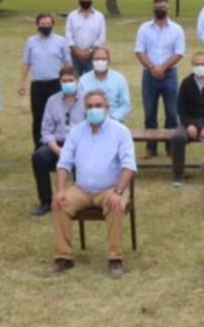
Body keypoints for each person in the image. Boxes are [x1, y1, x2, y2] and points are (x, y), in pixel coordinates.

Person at [46, 89, 138, 280]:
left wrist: (119, 192)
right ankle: (64, 256)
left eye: (98, 106)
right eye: (90, 107)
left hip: (112, 188)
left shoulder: (120, 132)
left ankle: (115, 258)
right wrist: (61, 190)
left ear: (106, 108)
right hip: (81, 189)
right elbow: (64, 163)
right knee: (59, 204)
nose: (94, 110)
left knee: (115, 205)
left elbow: (129, 165)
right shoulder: (76, 132)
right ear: (84, 109)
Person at [133, 0, 186, 159]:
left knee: (172, 113)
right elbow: (139, 51)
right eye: (157, 7)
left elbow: (178, 53)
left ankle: (171, 148)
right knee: (150, 113)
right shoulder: (144, 28)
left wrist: (162, 67)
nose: (160, 10)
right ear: (152, 8)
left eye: (163, 7)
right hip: (149, 75)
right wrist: (152, 67)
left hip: (170, 75)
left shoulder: (177, 29)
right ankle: (151, 148)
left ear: (168, 8)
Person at [30, 66, 86, 217]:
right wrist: (56, 149)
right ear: (60, 82)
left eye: (71, 80)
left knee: (81, 160)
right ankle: (46, 201)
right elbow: (46, 130)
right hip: (58, 144)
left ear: (77, 81)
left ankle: (79, 199)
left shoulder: (87, 100)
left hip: (80, 145)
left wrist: (73, 149)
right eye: (64, 81)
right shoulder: (52, 101)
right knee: (39, 157)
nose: (67, 83)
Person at [171, 52, 204, 187]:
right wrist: (189, 125)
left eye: (203, 64)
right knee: (177, 137)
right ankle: (178, 175)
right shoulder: (186, 83)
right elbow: (181, 109)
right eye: (196, 64)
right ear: (192, 66)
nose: (200, 67)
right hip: (190, 121)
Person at [18, 12, 70, 146]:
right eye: (43, 24)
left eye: (48, 24)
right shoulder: (31, 42)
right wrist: (22, 83)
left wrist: (70, 80)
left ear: (52, 25)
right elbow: (26, 63)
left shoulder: (61, 41)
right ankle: (39, 146)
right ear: (37, 25)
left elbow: (67, 63)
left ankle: (58, 143)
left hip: (55, 84)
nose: (45, 26)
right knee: (38, 116)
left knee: (57, 114)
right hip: (38, 85)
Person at [78, 47, 132, 123]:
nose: (100, 61)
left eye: (103, 59)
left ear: (108, 61)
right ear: (92, 61)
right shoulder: (83, 80)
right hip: (89, 121)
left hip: (114, 122)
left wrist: (112, 118)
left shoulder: (119, 79)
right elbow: (80, 105)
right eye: (97, 59)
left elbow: (125, 105)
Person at [65, 0, 106, 74]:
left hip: (93, 55)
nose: (85, 1)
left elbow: (101, 36)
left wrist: (90, 51)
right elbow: (68, 34)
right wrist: (77, 51)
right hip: (75, 55)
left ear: (92, 0)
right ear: (79, 0)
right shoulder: (72, 16)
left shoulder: (99, 16)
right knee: (75, 80)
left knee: (92, 80)